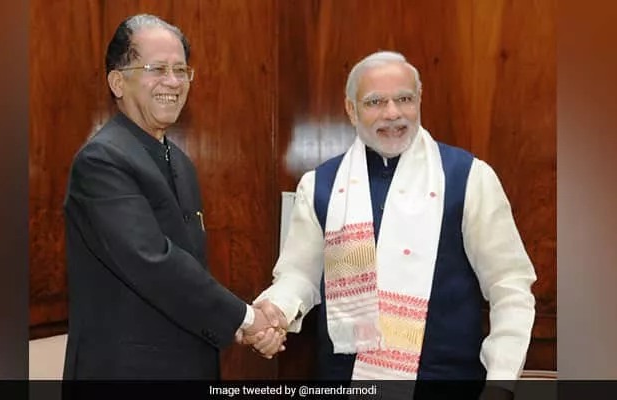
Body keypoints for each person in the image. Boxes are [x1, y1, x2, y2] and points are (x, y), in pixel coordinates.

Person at [241, 51, 537, 399]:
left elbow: (509, 286)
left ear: (419, 100)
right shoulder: (320, 184)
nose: (393, 113)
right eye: (375, 102)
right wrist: (275, 309)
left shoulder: (470, 177)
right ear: (351, 109)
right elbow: (299, 275)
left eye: (404, 99)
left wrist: (501, 381)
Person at [61, 14, 284, 380]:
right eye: (157, 69)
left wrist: (239, 321)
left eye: (181, 70)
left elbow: (189, 270)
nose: (173, 82)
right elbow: (154, 263)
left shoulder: (179, 161)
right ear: (118, 82)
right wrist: (246, 319)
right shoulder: (101, 161)